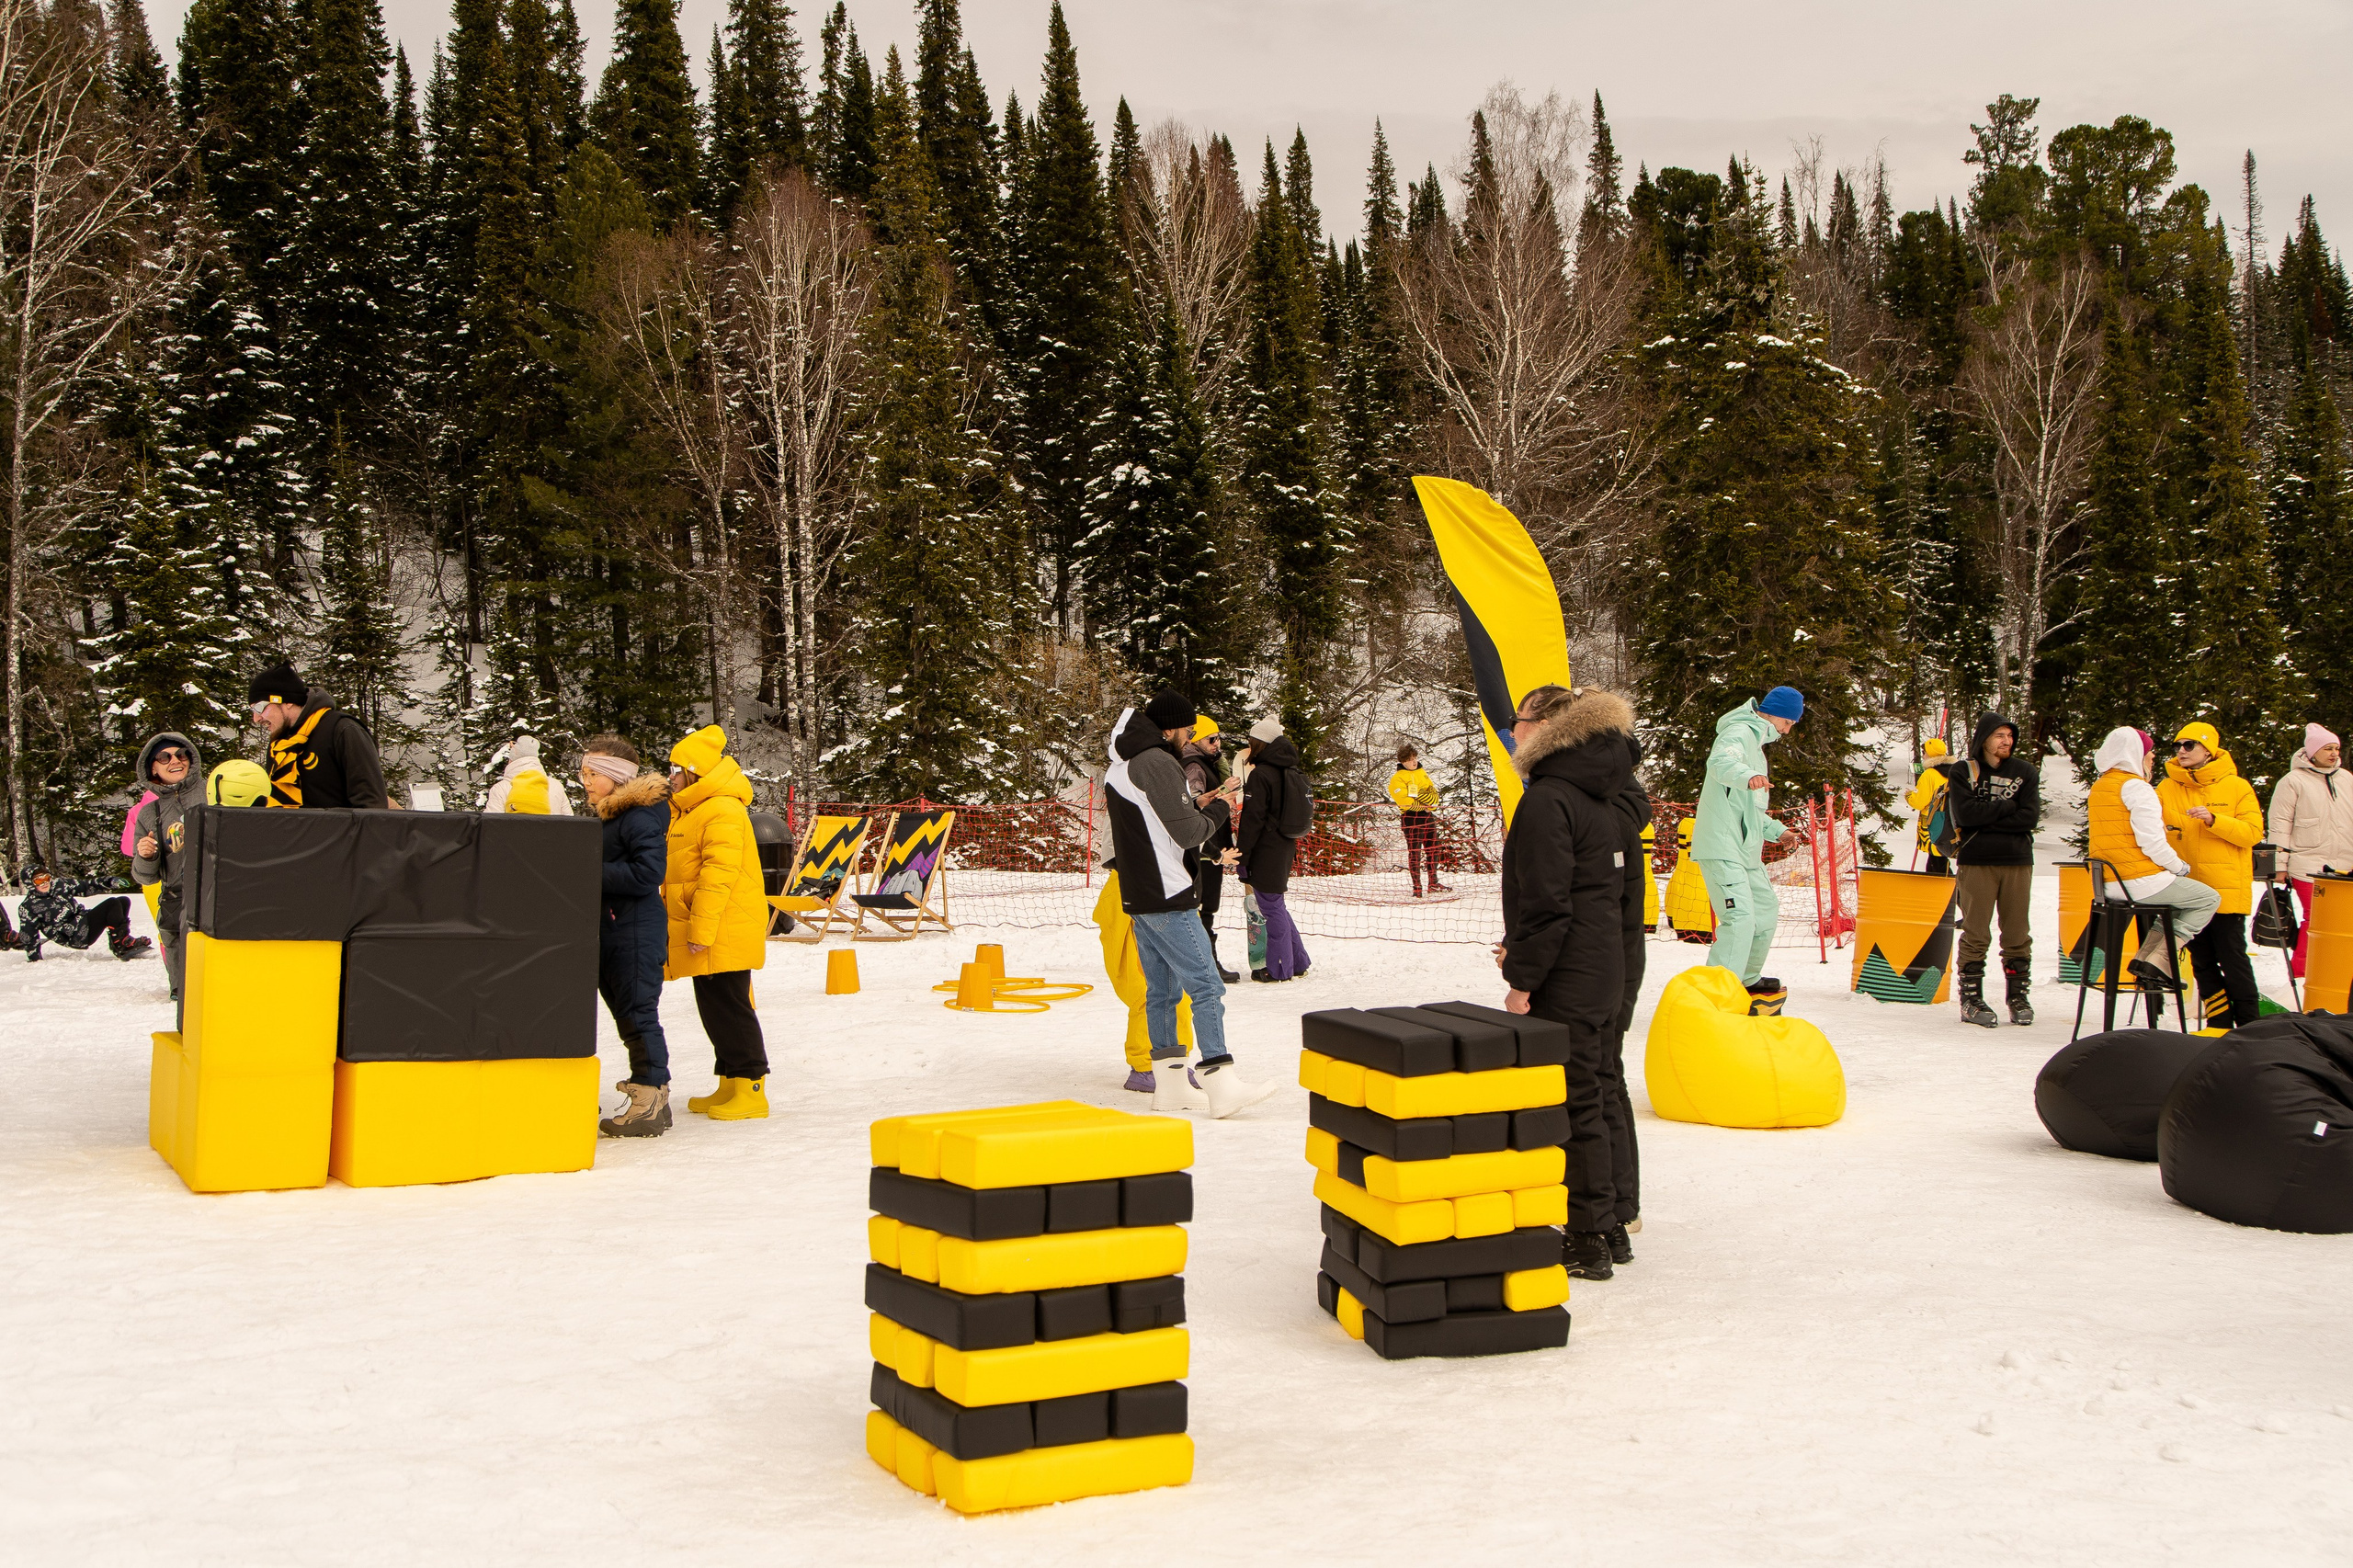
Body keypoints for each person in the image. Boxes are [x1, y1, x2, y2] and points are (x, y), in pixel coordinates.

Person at [1497, 686, 1645, 1280]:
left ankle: (1585, 1237)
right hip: (1606, 965)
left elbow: (1546, 904)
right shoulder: (1608, 794)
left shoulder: (1550, 798)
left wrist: (1521, 977)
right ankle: (1610, 1221)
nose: (1513, 732)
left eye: (1520, 721)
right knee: (1601, 1088)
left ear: (1550, 726)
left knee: (1577, 1099)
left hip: (1571, 972)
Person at [1103, 689, 1277, 1118]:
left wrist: (1204, 801)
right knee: (1206, 985)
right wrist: (1222, 809)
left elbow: (1158, 817)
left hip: (1141, 892)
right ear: (1170, 728)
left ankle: (1172, 1085)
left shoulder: (1123, 766)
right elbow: (1187, 834)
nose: (1189, 736)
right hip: (1168, 891)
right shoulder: (1158, 762)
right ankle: (1221, 1081)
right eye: (1187, 728)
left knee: (1161, 991)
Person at [663, 724, 771, 1120]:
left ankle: (752, 1087)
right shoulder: (695, 809)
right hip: (711, 925)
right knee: (714, 1006)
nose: (669, 775)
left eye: (675, 768)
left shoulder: (722, 808)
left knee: (730, 1007)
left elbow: (718, 875)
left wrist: (701, 930)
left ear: (694, 771)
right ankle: (729, 1082)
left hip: (722, 927)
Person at [579, 737, 672, 1137]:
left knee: (638, 1014)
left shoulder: (637, 816)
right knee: (627, 1015)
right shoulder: (609, 817)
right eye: (582, 773)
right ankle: (654, 1096)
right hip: (616, 927)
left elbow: (649, 874)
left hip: (635, 929)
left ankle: (649, 1097)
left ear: (615, 777)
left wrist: (584, 870)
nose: (584, 781)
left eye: (592, 774)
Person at [1690, 686, 1803, 1010]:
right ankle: (1715, 994)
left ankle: (1745, 978)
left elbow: (1749, 811)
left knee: (1765, 911)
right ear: (1776, 713)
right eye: (1789, 721)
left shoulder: (1757, 745)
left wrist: (1779, 832)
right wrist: (1747, 774)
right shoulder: (1739, 731)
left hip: (1745, 851)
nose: (1789, 729)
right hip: (1722, 847)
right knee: (1739, 918)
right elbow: (1721, 761)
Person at [2086, 727, 2219, 993]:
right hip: (2138, 881)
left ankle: (2146, 960)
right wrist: (2179, 867)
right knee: (2207, 898)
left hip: (2108, 884)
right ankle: (2160, 959)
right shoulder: (2135, 787)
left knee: (2177, 904)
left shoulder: (2101, 786)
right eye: (2149, 751)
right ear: (2135, 753)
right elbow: (2152, 842)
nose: (2153, 756)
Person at [2157, 721, 2266, 1028]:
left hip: (2226, 890)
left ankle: (2250, 1025)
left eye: (2189, 745)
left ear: (2209, 749)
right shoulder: (2167, 787)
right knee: (2201, 961)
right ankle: (2218, 1023)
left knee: (2233, 960)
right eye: (2177, 745)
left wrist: (2214, 820)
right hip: (2189, 891)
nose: (2181, 751)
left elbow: (2253, 833)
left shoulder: (2236, 786)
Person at [1941, 712, 2041, 1028]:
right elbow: (1967, 814)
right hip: (1976, 861)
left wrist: (1988, 815)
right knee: (1976, 932)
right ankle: (1971, 1000)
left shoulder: (2025, 771)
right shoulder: (1963, 771)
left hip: (2017, 861)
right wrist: (2009, 806)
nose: (2006, 741)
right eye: (1999, 735)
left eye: (2010, 736)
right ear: (1984, 738)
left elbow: (2030, 818)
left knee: (2016, 933)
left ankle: (2018, 998)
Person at [2269, 724, 2353, 980]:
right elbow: (2280, 824)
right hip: (2307, 865)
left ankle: (2336, 974)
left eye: (2336, 748)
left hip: (2346, 865)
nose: (2333, 753)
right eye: (2327, 748)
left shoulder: (2348, 779)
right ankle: (2303, 975)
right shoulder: (2293, 781)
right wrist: (2279, 864)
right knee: (2315, 920)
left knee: (2343, 924)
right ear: (2312, 751)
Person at [129, 732, 205, 1005]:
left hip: (217, 900)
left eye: (181, 754)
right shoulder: (149, 814)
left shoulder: (214, 791)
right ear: (153, 768)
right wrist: (145, 856)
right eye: (165, 757)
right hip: (177, 906)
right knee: (185, 1002)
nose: (175, 760)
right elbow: (145, 877)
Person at [1236, 717, 1313, 983]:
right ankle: (1298, 960)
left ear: (1261, 743)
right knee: (1276, 903)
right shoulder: (1289, 770)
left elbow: (1251, 821)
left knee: (1270, 908)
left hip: (1265, 849)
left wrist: (1242, 856)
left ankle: (1279, 967)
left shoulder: (1262, 774)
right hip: (1284, 844)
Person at [247, 664, 387, 809]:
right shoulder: (279, 745)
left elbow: (371, 807)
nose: (256, 718)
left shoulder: (342, 730)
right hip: (287, 831)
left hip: (336, 831)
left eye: (260, 708)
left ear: (287, 701)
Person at [1179, 717, 1241, 983]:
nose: (1217, 744)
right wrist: (1224, 791)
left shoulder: (1206, 763)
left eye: (1219, 738)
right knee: (1203, 907)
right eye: (1211, 739)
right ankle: (1206, 964)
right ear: (1195, 740)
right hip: (1204, 847)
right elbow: (1193, 808)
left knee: (1206, 907)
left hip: (1210, 843)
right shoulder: (1194, 766)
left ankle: (1204, 962)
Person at [17, 860, 151, 962]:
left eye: (46, 878)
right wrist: (35, 959)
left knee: (123, 901)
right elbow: (29, 935)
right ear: (30, 884)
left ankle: (121, 940)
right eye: (39, 881)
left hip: (82, 920)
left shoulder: (59, 885)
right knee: (112, 904)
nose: (44, 883)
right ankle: (121, 944)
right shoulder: (28, 907)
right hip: (74, 936)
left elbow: (85, 886)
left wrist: (109, 882)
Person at [1388, 743, 1451, 897]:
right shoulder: (1397, 779)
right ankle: (1417, 887)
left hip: (1428, 817)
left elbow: (1433, 793)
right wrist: (1422, 805)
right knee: (1415, 852)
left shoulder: (1422, 773)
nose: (1414, 761)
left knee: (1433, 849)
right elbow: (1404, 800)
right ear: (1403, 761)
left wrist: (1431, 803)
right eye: (1410, 759)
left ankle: (1433, 882)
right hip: (1411, 818)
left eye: (1415, 758)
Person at [485, 733, 574, 815]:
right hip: (551, 832)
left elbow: (491, 825)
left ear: (511, 760)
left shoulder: (501, 789)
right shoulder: (556, 786)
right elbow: (570, 823)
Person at [1906, 736, 1952, 875]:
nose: (1924, 755)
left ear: (1930, 754)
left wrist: (1909, 796)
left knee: (1937, 859)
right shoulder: (1954, 771)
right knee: (1937, 858)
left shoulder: (1930, 774)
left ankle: (1947, 890)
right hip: (1949, 820)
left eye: (1925, 752)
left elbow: (1919, 802)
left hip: (1932, 821)